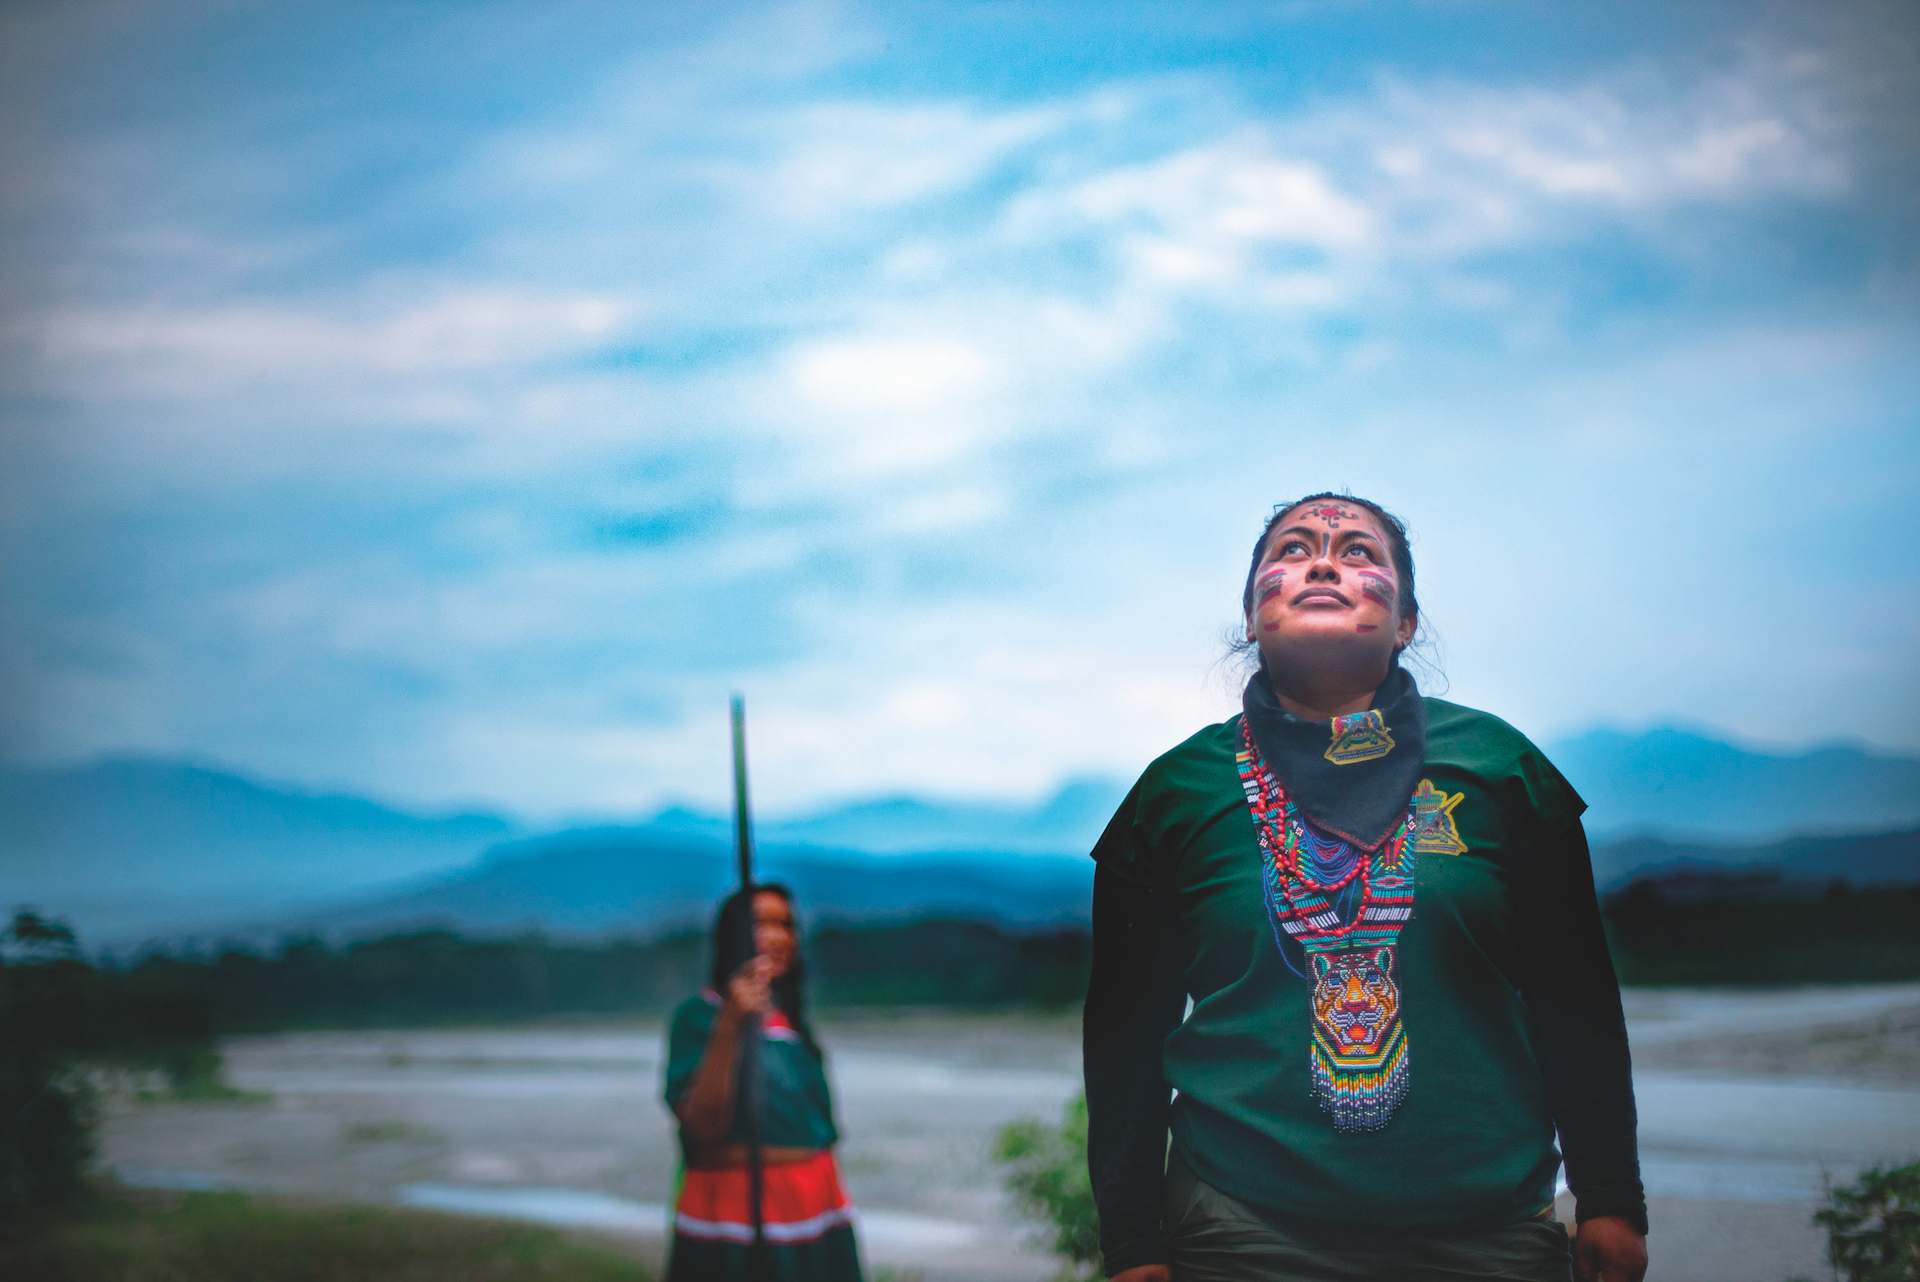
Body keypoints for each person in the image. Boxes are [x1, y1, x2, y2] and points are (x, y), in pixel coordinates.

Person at [1083, 494, 1649, 1282]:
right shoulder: (1175, 793)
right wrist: (1134, 1244)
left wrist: (1612, 1199)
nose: (1322, 561)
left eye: (1357, 552)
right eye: (1293, 549)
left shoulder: (1502, 768)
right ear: (1251, 616)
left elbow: (1575, 1000)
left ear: (1406, 621)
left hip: (1487, 1234)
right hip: (1241, 1233)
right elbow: (1124, 1036)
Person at [664, 884, 863, 1282]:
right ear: (730, 935)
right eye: (761, 924)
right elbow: (702, 1123)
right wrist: (732, 1023)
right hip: (736, 1208)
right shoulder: (699, 1017)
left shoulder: (791, 1021)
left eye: (787, 925)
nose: (778, 937)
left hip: (815, 1202)